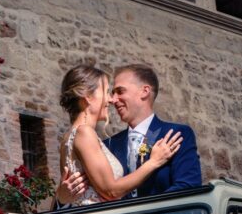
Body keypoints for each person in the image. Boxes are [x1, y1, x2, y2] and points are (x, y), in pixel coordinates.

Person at [55, 65, 182, 214]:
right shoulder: (84, 133)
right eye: (106, 92)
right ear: (87, 97)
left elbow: (71, 192)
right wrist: (153, 162)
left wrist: (61, 194)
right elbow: (111, 191)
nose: (111, 100)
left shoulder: (68, 138)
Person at [58, 63, 202, 205]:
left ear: (145, 91)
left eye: (120, 91)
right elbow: (100, 191)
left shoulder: (175, 134)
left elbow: (188, 188)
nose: (113, 99)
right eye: (110, 92)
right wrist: (62, 197)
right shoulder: (107, 144)